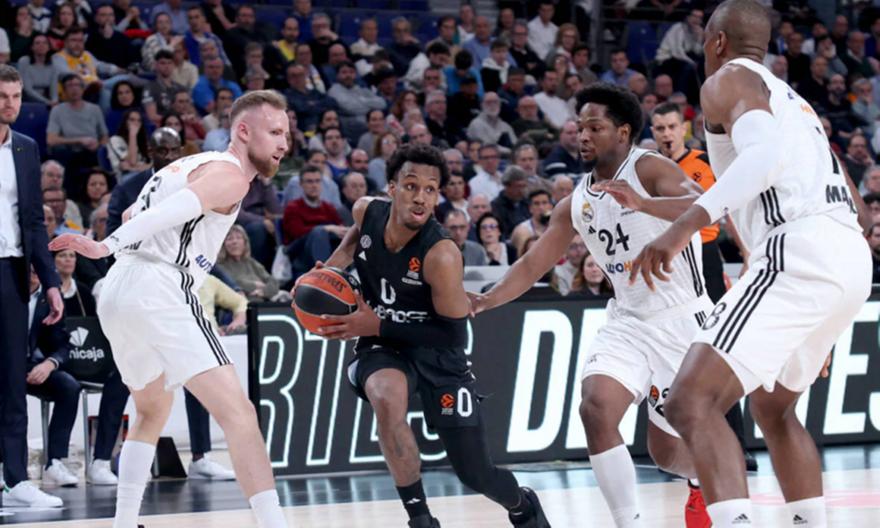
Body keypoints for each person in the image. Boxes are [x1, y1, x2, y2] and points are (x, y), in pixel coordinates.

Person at [628, 3, 871, 527]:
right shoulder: (796, 105)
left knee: (689, 402)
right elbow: (858, 206)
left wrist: (681, 228)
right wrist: (815, 309)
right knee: (773, 407)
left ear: (717, 42)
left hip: (799, 251)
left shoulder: (726, 80)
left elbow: (763, 162)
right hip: (845, 257)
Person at [469, 83, 714, 528]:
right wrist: (486, 300)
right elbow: (533, 263)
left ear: (623, 132)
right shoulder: (575, 203)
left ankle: (701, 480)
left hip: (683, 321)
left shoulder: (649, 168)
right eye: (579, 126)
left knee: (666, 453)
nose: (583, 135)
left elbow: (706, 204)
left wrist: (644, 203)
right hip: (629, 320)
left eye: (594, 127)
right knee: (595, 406)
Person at [49, 90, 292, 528]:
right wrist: (106, 244)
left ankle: (125, 522)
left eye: (286, 135)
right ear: (243, 131)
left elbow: (134, 214)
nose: (284, 145)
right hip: (159, 286)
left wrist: (121, 243)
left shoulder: (187, 164)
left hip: (119, 290)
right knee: (240, 415)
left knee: (151, 409)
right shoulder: (231, 175)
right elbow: (168, 213)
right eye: (275, 132)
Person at [314, 143, 549, 528]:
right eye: (411, 186)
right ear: (392, 188)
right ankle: (420, 519)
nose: (421, 197)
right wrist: (323, 276)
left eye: (430, 189)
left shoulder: (441, 254)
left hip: (438, 354)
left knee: (476, 474)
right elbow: (354, 241)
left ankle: (523, 505)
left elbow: (452, 335)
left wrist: (377, 324)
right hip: (384, 346)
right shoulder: (366, 212)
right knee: (386, 397)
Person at [0, 65, 65, 508]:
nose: (11, 104)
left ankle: (17, 478)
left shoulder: (25, 148)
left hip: (11, 271)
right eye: (3, 96)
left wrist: (53, 282)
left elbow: (35, 223)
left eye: (16, 96)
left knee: (11, 376)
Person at [23, 266, 83, 487]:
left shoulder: (50, 298)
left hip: (36, 364)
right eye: (30, 266)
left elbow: (64, 343)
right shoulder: (8, 292)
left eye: (38, 267)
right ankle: (6, 464)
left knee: (69, 387)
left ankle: (55, 462)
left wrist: (49, 364)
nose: (34, 270)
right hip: (7, 364)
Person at [216, 225, 279, 302]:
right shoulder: (219, 265)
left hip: (263, 302)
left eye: (239, 238)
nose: (234, 242)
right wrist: (255, 285)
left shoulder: (251, 262)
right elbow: (232, 283)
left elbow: (273, 282)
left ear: (245, 242)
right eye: (229, 239)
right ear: (223, 244)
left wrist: (263, 292)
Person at [108, 109, 152, 176]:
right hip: (123, 177)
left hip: (143, 174)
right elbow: (132, 161)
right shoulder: (115, 140)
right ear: (125, 122)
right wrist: (132, 135)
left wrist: (136, 168)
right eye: (132, 120)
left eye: (139, 120)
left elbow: (152, 164)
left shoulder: (143, 141)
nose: (136, 123)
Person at [510, 190, 553, 256]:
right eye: (536, 204)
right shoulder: (522, 230)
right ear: (530, 208)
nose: (541, 207)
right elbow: (522, 257)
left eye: (544, 203)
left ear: (550, 207)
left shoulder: (557, 226)